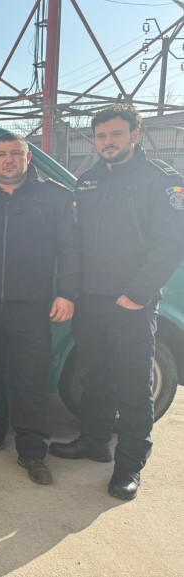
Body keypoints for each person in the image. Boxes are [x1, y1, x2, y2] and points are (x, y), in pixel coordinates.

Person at [49, 104, 184, 500]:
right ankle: (94, 441)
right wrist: (72, 291)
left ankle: (129, 465)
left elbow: (171, 244)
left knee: (133, 387)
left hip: (131, 305)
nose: (108, 142)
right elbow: (73, 245)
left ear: (134, 135)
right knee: (95, 378)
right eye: (102, 136)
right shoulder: (88, 181)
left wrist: (137, 295)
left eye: (115, 135)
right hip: (90, 302)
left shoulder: (161, 181)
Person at [0, 133, 80, 485]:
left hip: (32, 307)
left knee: (31, 380)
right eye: (1, 154)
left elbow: (71, 251)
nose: (8, 160)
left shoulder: (55, 197)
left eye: (15, 154)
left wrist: (67, 292)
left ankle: (32, 450)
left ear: (28, 158)